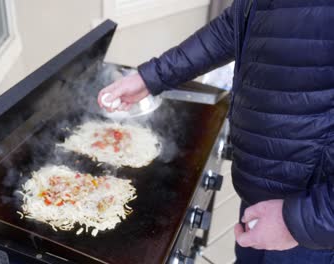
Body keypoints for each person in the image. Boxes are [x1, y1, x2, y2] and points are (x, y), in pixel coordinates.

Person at [97, 1, 334, 263]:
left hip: (313, 214)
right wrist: (149, 78)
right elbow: (230, 29)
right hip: (265, 191)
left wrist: (299, 222)